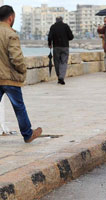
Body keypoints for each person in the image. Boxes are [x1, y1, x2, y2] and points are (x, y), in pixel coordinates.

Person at [0, 5, 42, 143]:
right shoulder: (11, 34)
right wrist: (23, 69)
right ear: (11, 18)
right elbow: (16, 58)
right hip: (9, 78)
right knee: (19, 107)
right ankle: (27, 134)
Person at [48, 16, 74, 85]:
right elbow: (71, 37)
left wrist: (50, 44)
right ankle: (61, 77)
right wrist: (65, 38)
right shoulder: (66, 26)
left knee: (56, 62)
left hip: (56, 47)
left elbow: (50, 37)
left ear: (56, 20)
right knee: (64, 62)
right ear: (62, 20)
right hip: (65, 46)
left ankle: (59, 76)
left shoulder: (53, 27)